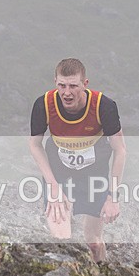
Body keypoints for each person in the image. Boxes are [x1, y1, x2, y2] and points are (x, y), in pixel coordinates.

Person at [29, 58, 126, 262]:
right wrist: (53, 186)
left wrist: (113, 197)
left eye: (73, 86)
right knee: (63, 242)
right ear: (55, 82)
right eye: (61, 86)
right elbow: (35, 145)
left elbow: (120, 151)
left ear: (85, 84)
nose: (67, 92)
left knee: (93, 241)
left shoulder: (104, 106)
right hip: (59, 175)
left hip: (94, 177)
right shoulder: (44, 105)